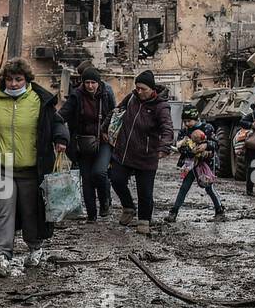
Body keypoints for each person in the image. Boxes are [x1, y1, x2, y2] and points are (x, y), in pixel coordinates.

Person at [0, 59, 68, 276]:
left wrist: (61, 138)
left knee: (31, 211)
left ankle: (35, 249)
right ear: (3, 80)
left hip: (32, 170)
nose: (14, 84)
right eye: (9, 79)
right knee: (4, 213)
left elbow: (56, 123)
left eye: (18, 79)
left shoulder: (38, 100)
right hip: (3, 170)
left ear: (26, 80)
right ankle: (3, 257)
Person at [108, 69, 174, 235]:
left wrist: (164, 147)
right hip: (125, 151)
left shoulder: (161, 106)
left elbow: (167, 128)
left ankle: (144, 220)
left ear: (152, 89)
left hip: (147, 155)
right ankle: (128, 207)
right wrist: (104, 129)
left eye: (143, 89)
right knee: (116, 179)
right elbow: (116, 113)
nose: (139, 91)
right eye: (137, 87)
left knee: (145, 191)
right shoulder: (131, 98)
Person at [58, 66, 115, 222]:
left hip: (103, 141)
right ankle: (91, 215)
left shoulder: (106, 94)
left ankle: (104, 202)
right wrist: (59, 134)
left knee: (99, 173)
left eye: (93, 83)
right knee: (87, 179)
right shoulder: (76, 96)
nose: (90, 86)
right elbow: (62, 115)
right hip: (82, 143)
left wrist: (108, 131)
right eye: (87, 82)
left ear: (98, 82)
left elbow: (114, 114)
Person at [168, 108, 226, 221]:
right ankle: (174, 212)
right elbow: (180, 147)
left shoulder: (207, 128)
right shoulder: (184, 131)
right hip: (190, 164)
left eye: (189, 121)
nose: (187, 123)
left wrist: (206, 145)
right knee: (184, 187)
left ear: (196, 118)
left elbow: (217, 144)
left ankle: (219, 210)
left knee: (209, 187)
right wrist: (191, 151)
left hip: (206, 163)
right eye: (184, 121)